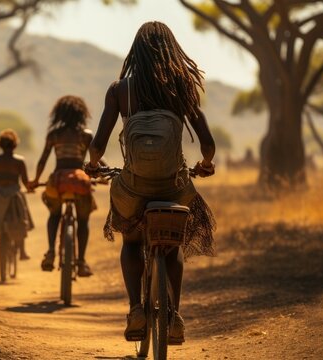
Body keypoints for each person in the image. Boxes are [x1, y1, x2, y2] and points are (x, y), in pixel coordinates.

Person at [87, 21, 217, 344]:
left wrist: (93, 166)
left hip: (134, 187)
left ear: (136, 52)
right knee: (172, 245)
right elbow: (208, 144)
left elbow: (97, 146)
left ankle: (135, 311)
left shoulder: (120, 91)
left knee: (131, 241)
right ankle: (173, 317)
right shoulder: (181, 85)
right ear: (171, 49)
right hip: (174, 187)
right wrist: (204, 165)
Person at [28, 95, 97, 277]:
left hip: (57, 182)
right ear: (82, 114)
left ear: (59, 114)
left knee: (54, 214)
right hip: (80, 181)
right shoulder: (86, 135)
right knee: (83, 220)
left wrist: (35, 180)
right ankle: (81, 262)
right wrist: (103, 173)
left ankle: (51, 251)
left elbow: (43, 160)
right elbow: (97, 158)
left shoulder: (54, 135)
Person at [0, 129, 33, 260]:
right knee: (22, 218)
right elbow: (25, 182)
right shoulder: (19, 161)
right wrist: (30, 188)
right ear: (15, 145)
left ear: (0, 145)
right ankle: (22, 251)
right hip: (14, 194)